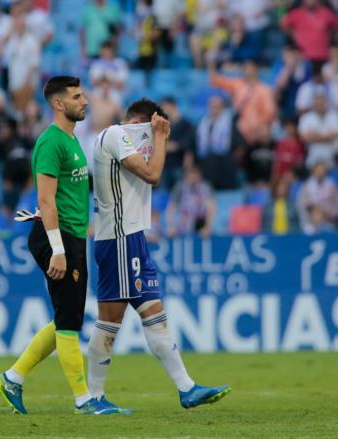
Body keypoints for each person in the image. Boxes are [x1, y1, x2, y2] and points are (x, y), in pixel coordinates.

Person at [89, 98, 231, 410]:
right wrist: (162, 137)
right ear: (140, 122)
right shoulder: (115, 134)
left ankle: (187, 388)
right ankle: (93, 397)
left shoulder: (128, 142)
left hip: (133, 238)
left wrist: (159, 138)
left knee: (155, 317)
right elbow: (153, 175)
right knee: (109, 322)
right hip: (118, 239)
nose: (156, 135)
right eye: (152, 128)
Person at [0, 76, 111, 415]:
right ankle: (83, 399)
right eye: (77, 96)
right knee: (70, 324)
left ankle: (12, 377)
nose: (85, 100)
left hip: (71, 236)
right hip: (54, 237)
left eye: (83, 94)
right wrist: (58, 249)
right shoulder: (51, 143)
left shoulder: (72, 140)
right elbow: (45, 202)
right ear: (58, 104)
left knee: (65, 317)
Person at [166, 165, 216, 237]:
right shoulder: (180, 187)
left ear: (199, 177)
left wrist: (207, 227)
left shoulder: (206, 188)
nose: (193, 179)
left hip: (200, 224)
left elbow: (211, 207)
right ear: (186, 177)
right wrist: (171, 226)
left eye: (195, 176)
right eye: (191, 176)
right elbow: (171, 207)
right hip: (182, 224)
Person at [298, 94, 338, 169]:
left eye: (322, 104)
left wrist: (314, 135)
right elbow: (304, 137)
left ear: (327, 103)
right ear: (313, 104)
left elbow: (336, 135)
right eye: (317, 104)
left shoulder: (335, 116)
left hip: (331, 159)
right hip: (312, 158)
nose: (320, 106)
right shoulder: (306, 118)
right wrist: (327, 136)